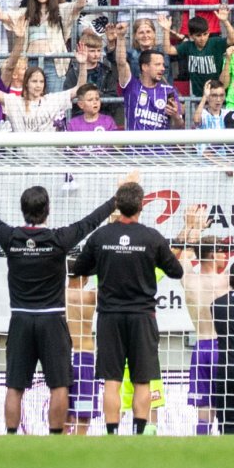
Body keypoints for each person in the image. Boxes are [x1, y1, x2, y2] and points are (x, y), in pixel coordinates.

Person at [0, 182, 121, 434]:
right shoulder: (58, 239)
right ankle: (56, 438)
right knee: (59, 385)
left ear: (23, 209)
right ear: (48, 209)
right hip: (51, 321)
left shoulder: (11, 237)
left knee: (15, 386)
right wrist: (115, 199)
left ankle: (11, 437)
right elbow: (89, 222)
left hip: (21, 319)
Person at [71, 180, 184, 436]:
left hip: (110, 317)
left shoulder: (101, 236)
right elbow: (176, 271)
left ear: (117, 205)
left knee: (112, 381)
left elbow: (79, 268)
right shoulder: (151, 237)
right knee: (142, 379)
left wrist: (105, 262)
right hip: (142, 317)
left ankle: (111, 433)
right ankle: (139, 431)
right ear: (142, 205)